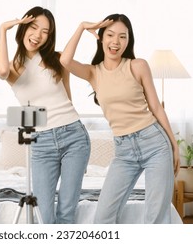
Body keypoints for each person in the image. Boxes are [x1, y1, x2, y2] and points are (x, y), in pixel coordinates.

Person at [60, 14, 180, 224]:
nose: (116, 42)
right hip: (124, 151)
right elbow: (65, 60)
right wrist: (82, 27)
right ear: (101, 38)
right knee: (103, 219)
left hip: (154, 144)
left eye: (122, 37)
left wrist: (174, 145)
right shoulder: (93, 73)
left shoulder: (138, 65)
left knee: (156, 219)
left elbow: (156, 108)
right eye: (110, 35)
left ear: (128, 41)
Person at [0, 6, 91, 224]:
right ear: (23, 28)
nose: (38, 35)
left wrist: (82, 27)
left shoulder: (57, 59)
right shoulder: (13, 68)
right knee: (43, 215)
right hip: (41, 143)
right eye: (33, 27)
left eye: (45, 31)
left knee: (67, 211)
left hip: (73, 135)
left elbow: (68, 97)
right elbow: (1, 71)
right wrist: (3, 29)